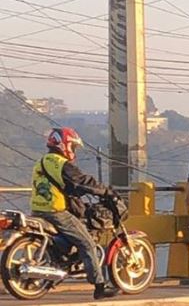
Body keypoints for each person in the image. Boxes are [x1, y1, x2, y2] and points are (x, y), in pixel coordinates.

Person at [31, 128, 120, 300]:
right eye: (72, 146)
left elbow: (68, 186)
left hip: (38, 210)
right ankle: (100, 286)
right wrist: (105, 191)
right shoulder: (59, 162)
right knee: (87, 243)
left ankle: (60, 260)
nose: (73, 150)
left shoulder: (43, 161)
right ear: (64, 144)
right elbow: (82, 180)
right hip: (55, 212)